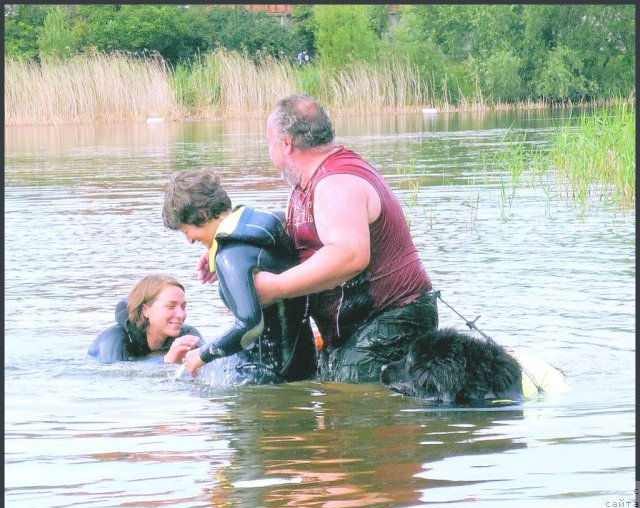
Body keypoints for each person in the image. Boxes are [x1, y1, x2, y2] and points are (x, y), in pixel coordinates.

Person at [198, 94, 439, 383]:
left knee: (353, 409)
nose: (270, 152)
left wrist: (276, 287)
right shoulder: (309, 184)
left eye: (269, 143)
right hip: (357, 326)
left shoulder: (336, 182)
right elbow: (289, 234)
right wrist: (230, 247)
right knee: (338, 407)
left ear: (286, 143)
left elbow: (349, 255)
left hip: (391, 318)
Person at [161, 167, 317, 384]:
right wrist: (213, 248)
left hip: (267, 374)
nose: (189, 240)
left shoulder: (231, 256)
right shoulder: (272, 221)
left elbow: (250, 325)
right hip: (305, 359)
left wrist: (203, 354)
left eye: (187, 231)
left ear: (203, 215)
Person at [89, 274, 204, 363]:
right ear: (146, 310)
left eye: (183, 307)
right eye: (170, 306)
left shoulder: (187, 335)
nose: (181, 315)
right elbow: (117, 375)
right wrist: (165, 361)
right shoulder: (116, 339)